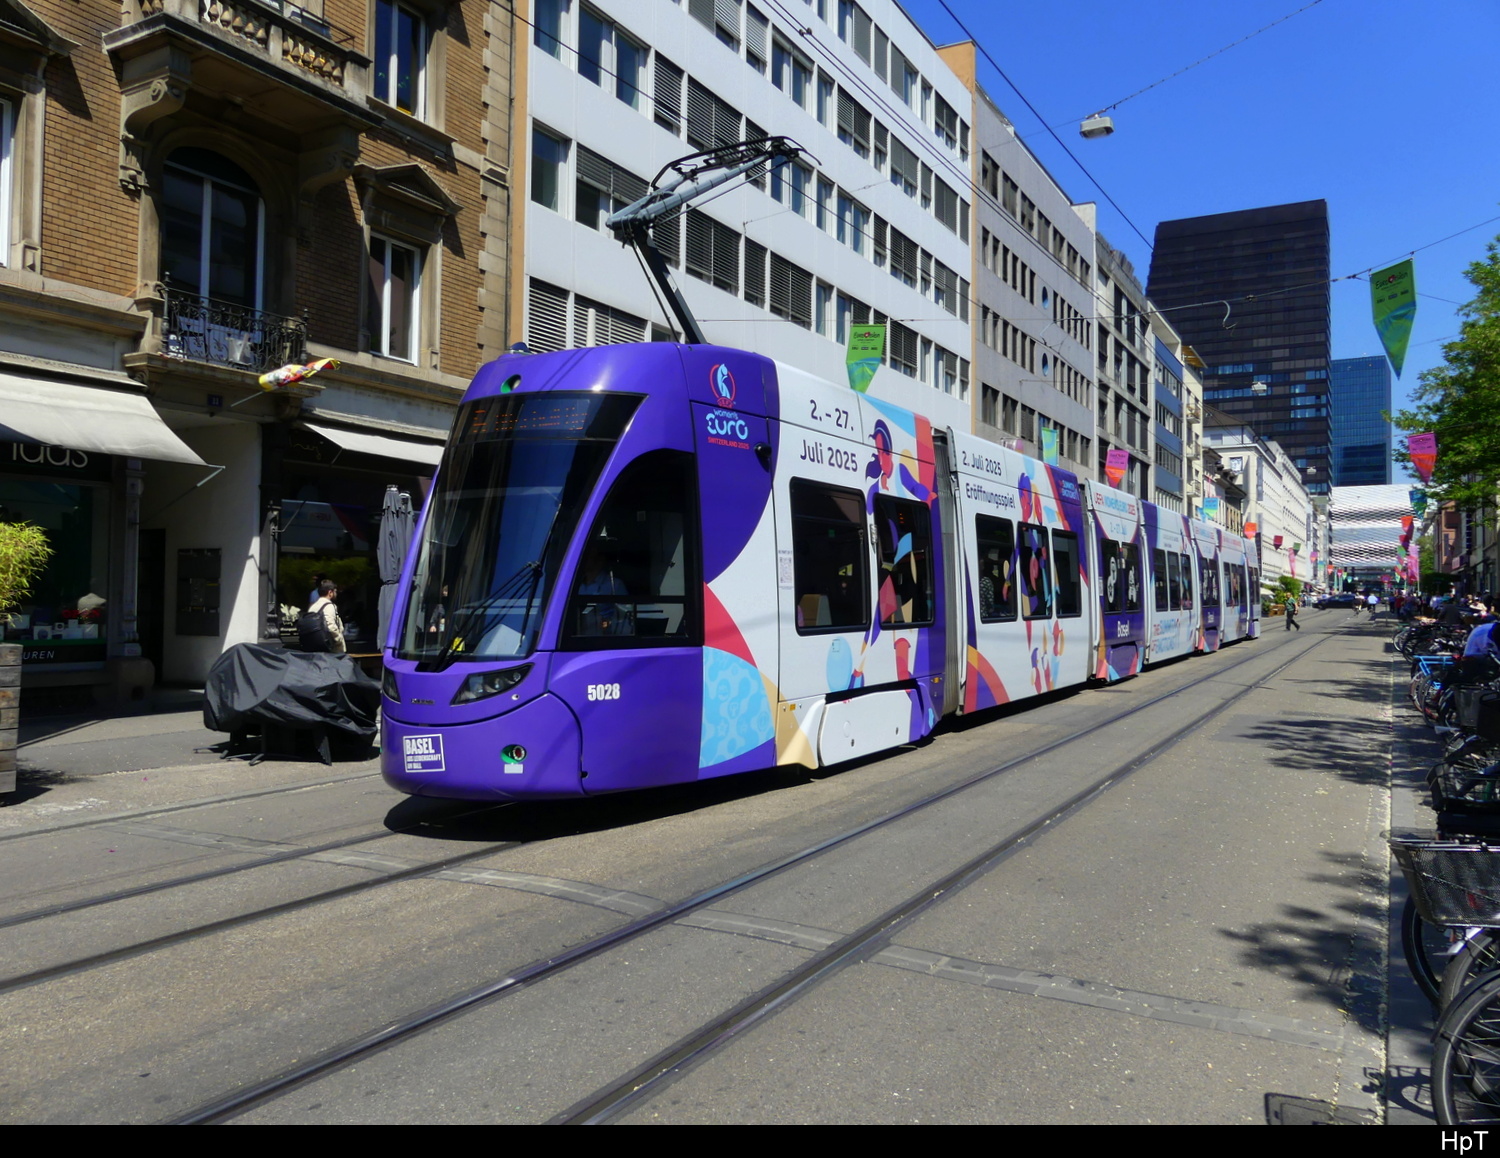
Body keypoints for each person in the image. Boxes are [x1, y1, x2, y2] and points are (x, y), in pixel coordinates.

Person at [308, 579, 346, 654]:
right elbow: (331, 626)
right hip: (331, 650)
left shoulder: (313, 607)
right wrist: (339, 640)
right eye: (335, 591)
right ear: (330, 593)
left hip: (317, 649)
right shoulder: (329, 606)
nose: (336, 594)